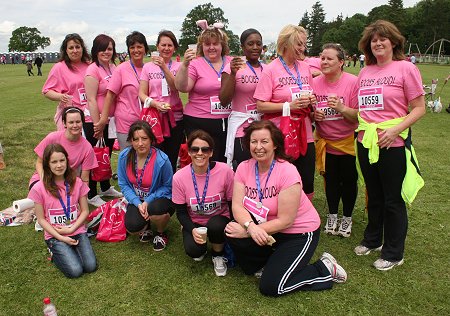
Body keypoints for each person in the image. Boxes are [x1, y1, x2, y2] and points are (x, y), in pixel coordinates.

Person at [225, 120, 347, 296]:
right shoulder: (244, 167)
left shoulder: (287, 171)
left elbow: (286, 220)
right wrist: (249, 227)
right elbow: (236, 205)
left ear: (275, 144)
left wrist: (249, 231)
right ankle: (269, 263)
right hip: (269, 229)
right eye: (254, 141)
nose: (258, 147)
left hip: (298, 233)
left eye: (264, 141)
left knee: (272, 287)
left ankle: (324, 269)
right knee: (231, 229)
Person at [353, 20, 425, 271]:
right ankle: (373, 239)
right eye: (373, 40)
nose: (378, 43)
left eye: (383, 39)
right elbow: (363, 108)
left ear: (393, 42)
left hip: (392, 143)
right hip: (366, 142)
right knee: (373, 193)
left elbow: (419, 108)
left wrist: (395, 130)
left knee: (392, 199)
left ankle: (394, 252)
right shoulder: (365, 72)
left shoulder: (405, 68)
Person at [254, 24, 316, 201]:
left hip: (305, 132)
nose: (302, 48)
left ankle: (305, 219)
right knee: (281, 179)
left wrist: (311, 102)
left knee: (306, 178)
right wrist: (288, 106)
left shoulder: (305, 68)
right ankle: (280, 217)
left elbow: (310, 94)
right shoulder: (271, 70)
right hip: (280, 133)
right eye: (298, 44)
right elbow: (260, 105)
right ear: (287, 43)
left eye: (304, 44)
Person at [28, 143, 97, 278]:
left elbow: (84, 211)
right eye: (54, 162)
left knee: (90, 266)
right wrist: (60, 237)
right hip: (55, 235)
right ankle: (54, 251)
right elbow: (41, 219)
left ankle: (70, 249)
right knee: (75, 271)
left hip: (76, 230)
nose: (59, 165)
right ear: (47, 164)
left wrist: (71, 230)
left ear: (67, 161)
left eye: (62, 160)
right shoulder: (39, 188)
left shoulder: (77, 183)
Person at [172, 130, 234, 276]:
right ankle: (200, 244)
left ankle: (217, 254)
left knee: (216, 226)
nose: (200, 153)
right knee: (195, 253)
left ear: (211, 152)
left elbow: (232, 202)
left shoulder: (225, 171)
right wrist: (191, 229)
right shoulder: (179, 177)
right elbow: (180, 212)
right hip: (195, 222)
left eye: (205, 149)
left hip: (219, 219)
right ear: (189, 152)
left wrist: (233, 225)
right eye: (195, 149)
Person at [313, 43, 359, 237]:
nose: (324, 61)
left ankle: (347, 218)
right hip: (326, 142)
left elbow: (359, 116)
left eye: (329, 58)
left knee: (349, 181)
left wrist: (341, 108)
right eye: (322, 57)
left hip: (349, 142)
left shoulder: (353, 82)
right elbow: (309, 112)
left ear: (341, 62)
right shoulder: (314, 83)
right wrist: (314, 115)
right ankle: (332, 215)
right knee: (330, 181)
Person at [175, 20, 232, 163]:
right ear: (202, 46)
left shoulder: (232, 62)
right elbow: (183, 87)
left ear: (222, 45)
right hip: (198, 122)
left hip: (227, 122)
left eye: (215, 44)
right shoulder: (195, 63)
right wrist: (185, 65)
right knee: (202, 161)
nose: (211, 47)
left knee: (223, 162)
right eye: (207, 44)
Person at [117, 120, 174, 251]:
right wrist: (137, 202)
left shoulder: (162, 160)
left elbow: (168, 186)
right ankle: (146, 227)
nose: (140, 143)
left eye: (144, 138)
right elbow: (123, 184)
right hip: (138, 200)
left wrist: (148, 201)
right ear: (131, 141)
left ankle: (160, 233)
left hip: (159, 198)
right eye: (136, 139)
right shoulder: (124, 157)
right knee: (132, 227)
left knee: (155, 210)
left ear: (151, 139)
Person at [84, 34, 123, 207]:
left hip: (111, 120)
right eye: (103, 48)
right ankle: (91, 193)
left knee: (105, 154)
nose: (106, 52)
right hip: (96, 120)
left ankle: (105, 186)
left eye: (109, 48)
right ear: (95, 50)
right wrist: (97, 123)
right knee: (94, 156)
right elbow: (91, 99)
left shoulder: (113, 67)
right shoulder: (92, 70)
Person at [139, 30, 184, 173]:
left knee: (171, 155)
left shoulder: (179, 66)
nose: (166, 48)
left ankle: (170, 188)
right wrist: (155, 104)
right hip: (154, 118)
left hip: (174, 118)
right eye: (163, 45)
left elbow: (176, 87)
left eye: (170, 45)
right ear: (157, 47)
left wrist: (164, 67)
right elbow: (141, 93)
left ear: (175, 47)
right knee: (155, 155)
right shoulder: (148, 67)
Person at [95, 31, 148, 150]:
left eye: (139, 46)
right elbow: (110, 95)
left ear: (145, 49)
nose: (136, 50)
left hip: (146, 123)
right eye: (132, 47)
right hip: (126, 124)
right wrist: (103, 119)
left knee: (145, 159)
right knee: (128, 159)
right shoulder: (121, 69)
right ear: (128, 50)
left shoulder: (149, 68)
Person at [29, 107, 98, 197]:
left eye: (78, 122)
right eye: (71, 122)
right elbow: (39, 162)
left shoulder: (87, 147)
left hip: (66, 184)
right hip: (43, 179)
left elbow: (85, 179)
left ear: (82, 122)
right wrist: (44, 182)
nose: (75, 125)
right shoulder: (52, 138)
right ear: (64, 124)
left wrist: (82, 201)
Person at [220, 28, 263, 169]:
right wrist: (233, 74)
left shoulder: (267, 69)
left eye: (258, 43)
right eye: (250, 44)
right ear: (242, 47)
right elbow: (224, 100)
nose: (255, 47)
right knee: (244, 170)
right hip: (242, 127)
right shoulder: (232, 67)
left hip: (263, 127)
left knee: (262, 170)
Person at [42, 33, 90, 130]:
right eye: (71, 48)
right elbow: (46, 91)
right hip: (71, 116)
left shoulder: (90, 66)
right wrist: (61, 96)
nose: (75, 50)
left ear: (82, 48)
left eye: (77, 47)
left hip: (90, 115)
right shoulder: (59, 67)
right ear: (66, 50)